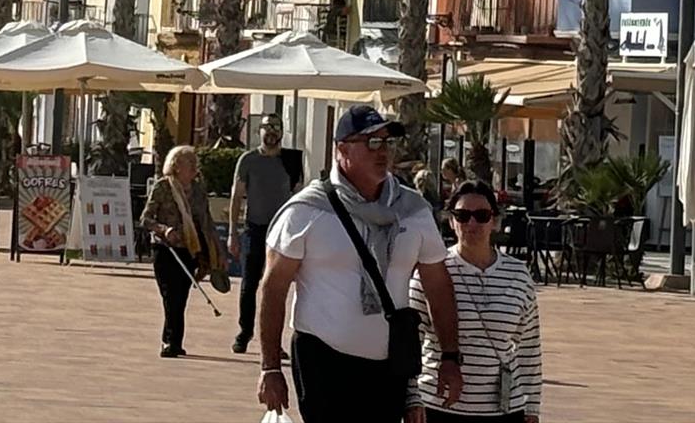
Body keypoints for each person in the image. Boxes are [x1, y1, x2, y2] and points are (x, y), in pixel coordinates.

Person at [256, 105, 465, 423]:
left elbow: (437, 284)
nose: (382, 151)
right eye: (371, 142)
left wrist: (450, 356)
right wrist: (270, 367)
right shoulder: (307, 210)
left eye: (387, 142)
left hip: (388, 364)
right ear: (342, 149)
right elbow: (273, 288)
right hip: (323, 359)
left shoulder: (413, 210)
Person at [409, 181, 542, 423]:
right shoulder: (432, 271)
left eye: (481, 216)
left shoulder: (518, 274)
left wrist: (532, 406)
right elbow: (411, 341)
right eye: (462, 216)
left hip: (504, 408)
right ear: (451, 221)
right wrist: (411, 398)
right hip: (440, 405)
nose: (471, 224)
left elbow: (529, 346)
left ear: (494, 221)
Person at [140, 144, 227, 358]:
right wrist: (164, 230)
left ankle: (174, 341)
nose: (195, 167)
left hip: (190, 249)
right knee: (170, 296)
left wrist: (218, 251)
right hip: (165, 249)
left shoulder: (198, 190)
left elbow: (206, 221)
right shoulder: (163, 187)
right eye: (190, 163)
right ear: (177, 166)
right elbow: (146, 219)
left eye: (195, 163)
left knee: (181, 297)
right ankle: (170, 341)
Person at [231, 114, 304, 353]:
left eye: (276, 127)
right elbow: (236, 196)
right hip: (254, 228)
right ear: (258, 131)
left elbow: (299, 198)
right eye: (267, 127)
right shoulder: (248, 160)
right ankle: (245, 332)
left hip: (281, 232)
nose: (271, 132)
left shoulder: (292, 161)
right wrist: (232, 232)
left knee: (275, 288)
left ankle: (273, 342)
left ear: (282, 132)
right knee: (249, 284)